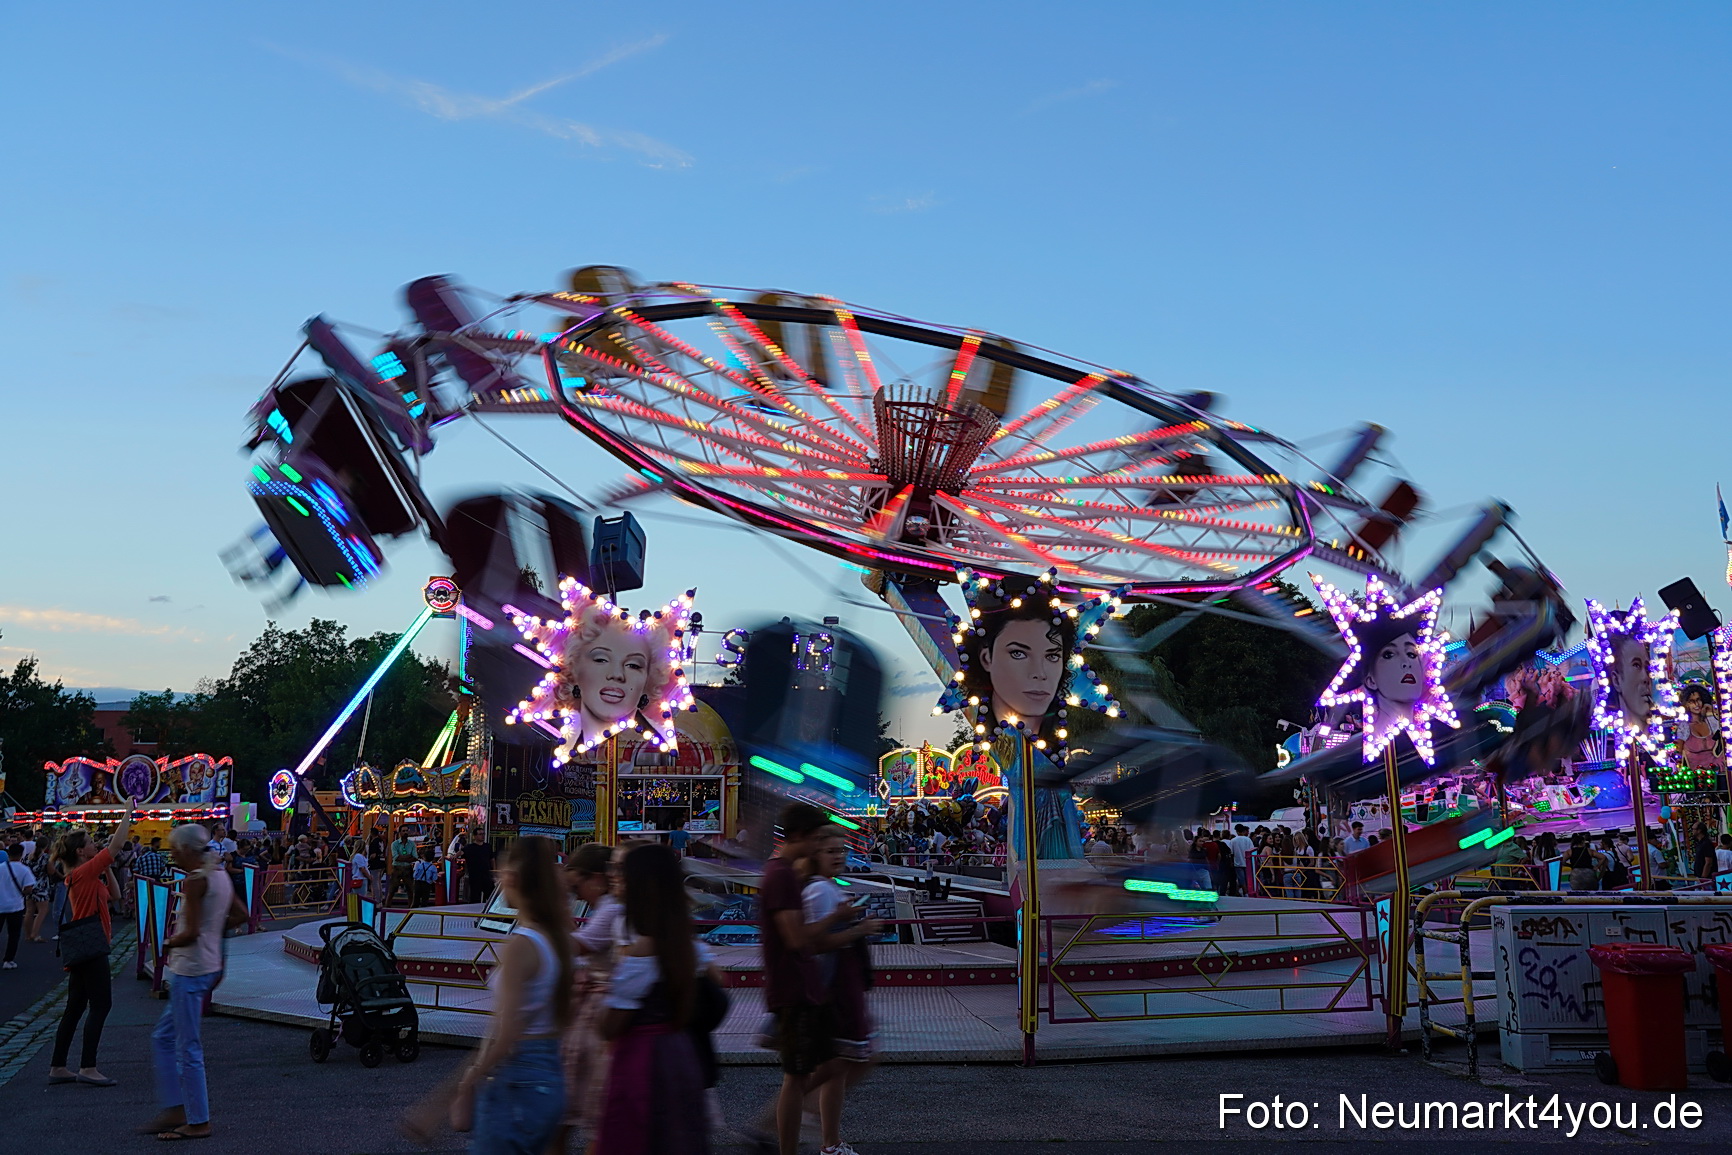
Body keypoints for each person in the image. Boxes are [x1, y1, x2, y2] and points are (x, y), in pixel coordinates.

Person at [752, 803, 863, 1155]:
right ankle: (784, 1143)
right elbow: (797, 938)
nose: (820, 848)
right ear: (799, 836)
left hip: (802, 986)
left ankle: (808, 1138)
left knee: (828, 1064)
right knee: (798, 1077)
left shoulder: (783, 873)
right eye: (817, 840)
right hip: (794, 986)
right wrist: (838, 917)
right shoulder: (782, 875)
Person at [594, 842, 718, 1155]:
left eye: (623, 872)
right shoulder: (686, 944)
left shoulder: (641, 952)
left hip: (641, 1062)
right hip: (680, 1056)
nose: (614, 878)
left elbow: (608, 1026)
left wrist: (602, 993)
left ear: (642, 885)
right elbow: (717, 983)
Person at [452, 837, 571, 1154]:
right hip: (550, 1073)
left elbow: (507, 1034)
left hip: (520, 1077)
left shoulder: (521, 945)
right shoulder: (557, 937)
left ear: (513, 878)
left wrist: (470, 1079)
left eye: (500, 872)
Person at [139, 823, 248, 1141]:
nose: (172, 855)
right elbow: (240, 915)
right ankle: (176, 1107)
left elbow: (190, 933)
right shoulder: (219, 874)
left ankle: (198, 1120)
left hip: (192, 969)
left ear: (187, 850)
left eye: (174, 850)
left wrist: (168, 943)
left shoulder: (196, 880)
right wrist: (215, 927)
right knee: (163, 1037)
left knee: (187, 1046)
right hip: (207, 965)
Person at [799, 824, 883, 1155]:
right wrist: (858, 928)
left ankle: (830, 1142)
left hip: (840, 984)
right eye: (830, 851)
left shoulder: (828, 888)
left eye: (841, 850)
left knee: (840, 1065)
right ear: (816, 855)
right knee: (851, 1059)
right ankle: (798, 1112)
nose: (838, 856)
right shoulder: (820, 891)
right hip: (834, 987)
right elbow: (816, 942)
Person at [49, 805, 134, 1087]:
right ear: (80, 852)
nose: (94, 845)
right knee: (101, 1004)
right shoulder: (84, 873)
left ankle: (59, 1065)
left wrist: (105, 866)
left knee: (75, 1007)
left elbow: (116, 895)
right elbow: (118, 844)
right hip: (93, 945)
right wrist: (128, 812)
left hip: (85, 945)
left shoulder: (84, 874)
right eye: (90, 843)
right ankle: (88, 1066)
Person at [553, 843, 624, 1153]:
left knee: (583, 1103)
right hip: (593, 1010)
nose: (578, 894)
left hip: (597, 1016)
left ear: (596, 878)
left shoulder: (611, 908)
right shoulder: (606, 908)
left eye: (579, 885)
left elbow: (579, 946)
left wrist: (548, 918)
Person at [1, 843, 35, 968]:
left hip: (0, 904)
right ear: (21, 855)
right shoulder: (24, 870)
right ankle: (8, 960)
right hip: (16, 906)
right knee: (13, 934)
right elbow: (29, 888)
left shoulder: (1, 868)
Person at [387, 828, 418, 907]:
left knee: (410, 889)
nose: (405, 832)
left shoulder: (412, 844)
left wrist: (402, 857)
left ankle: (410, 906)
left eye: (407, 831)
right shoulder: (394, 844)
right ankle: (387, 905)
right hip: (397, 868)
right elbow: (396, 857)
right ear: (400, 832)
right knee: (392, 889)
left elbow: (415, 857)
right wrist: (408, 857)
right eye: (403, 831)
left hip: (407, 868)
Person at [463, 836, 497, 905]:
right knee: (475, 896)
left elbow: (492, 859)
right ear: (475, 836)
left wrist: (494, 871)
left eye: (483, 834)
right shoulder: (470, 847)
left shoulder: (487, 847)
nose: (482, 836)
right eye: (480, 834)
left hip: (486, 875)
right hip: (475, 876)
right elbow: (461, 852)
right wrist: (454, 856)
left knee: (491, 894)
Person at [1224, 824, 1254, 897]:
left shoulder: (1233, 840)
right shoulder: (1248, 839)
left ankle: (1245, 892)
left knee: (1241, 879)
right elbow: (1252, 850)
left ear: (1236, 831)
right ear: (1243, 831)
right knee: (1248, 878)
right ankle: (1250, 891)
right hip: (1248, 862)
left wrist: (1231, 862)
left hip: (1237, 863)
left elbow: (1231, 853)